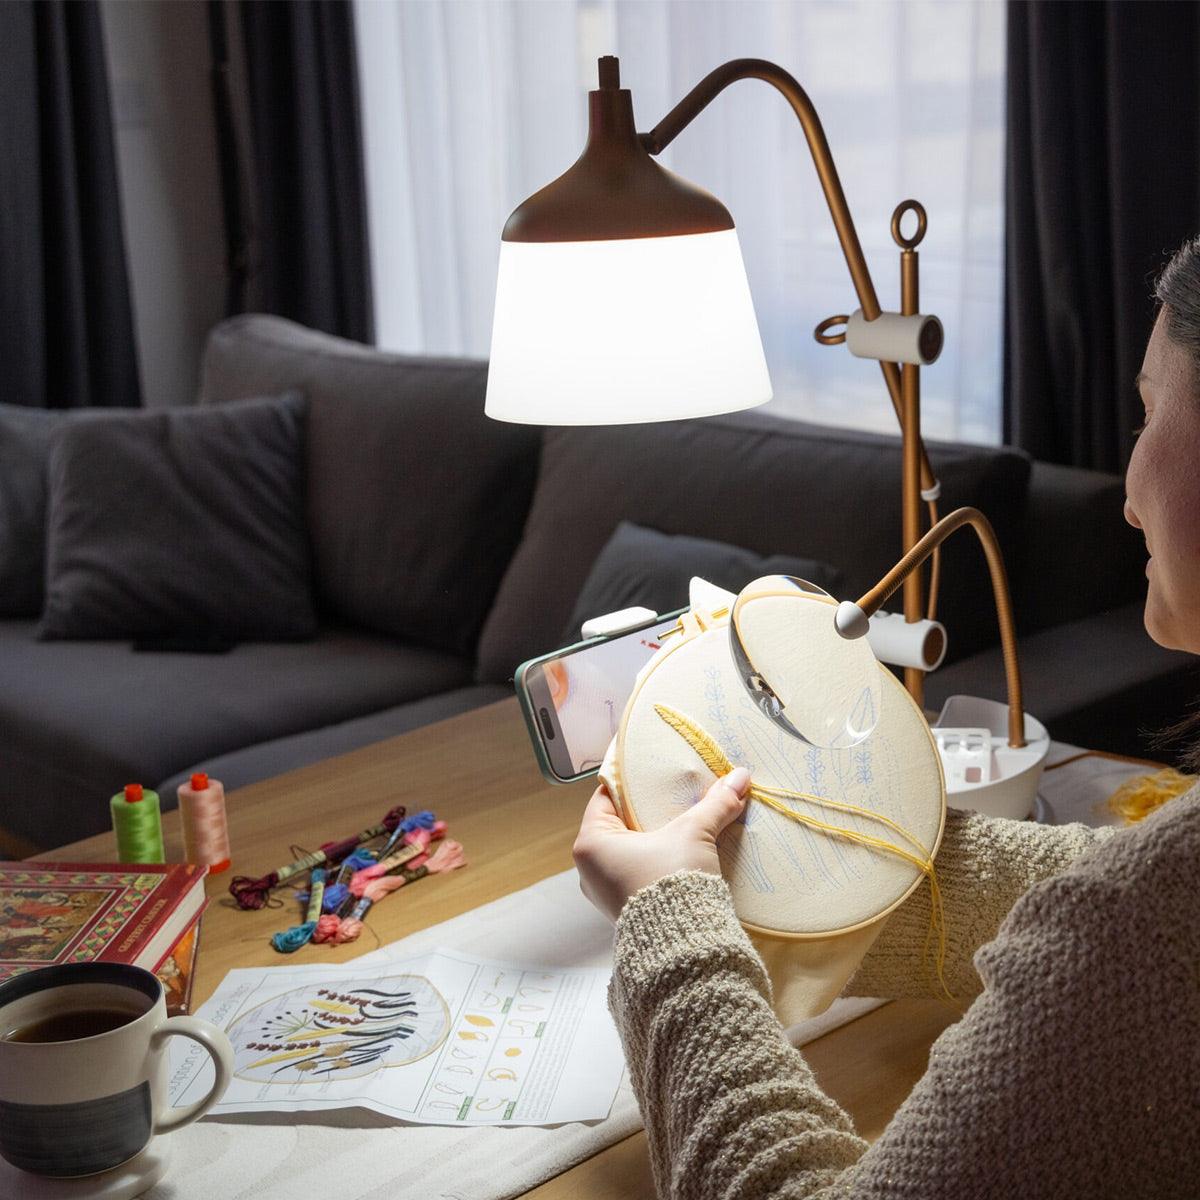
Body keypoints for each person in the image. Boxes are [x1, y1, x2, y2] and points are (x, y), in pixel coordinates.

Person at [573, 239, 1200, 1198]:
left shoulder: (1140, 931)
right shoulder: (1150, 903)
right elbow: (1114, 891)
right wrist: (820, 863)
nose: (1125, 497)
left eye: (1151, 413)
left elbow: (1131, 929)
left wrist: (672, 928)